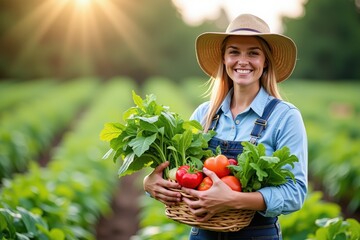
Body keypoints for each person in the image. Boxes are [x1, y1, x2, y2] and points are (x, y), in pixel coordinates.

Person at [143, 13, 308, 239]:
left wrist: (233, 199)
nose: (243, 61)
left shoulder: (285, 117)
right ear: (224, 59)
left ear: (265, 61)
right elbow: (181, 169)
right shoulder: (205, 114)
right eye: (234, 52)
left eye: (253, 53)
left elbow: (295, 193)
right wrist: (151, 182)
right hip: (202, 234)